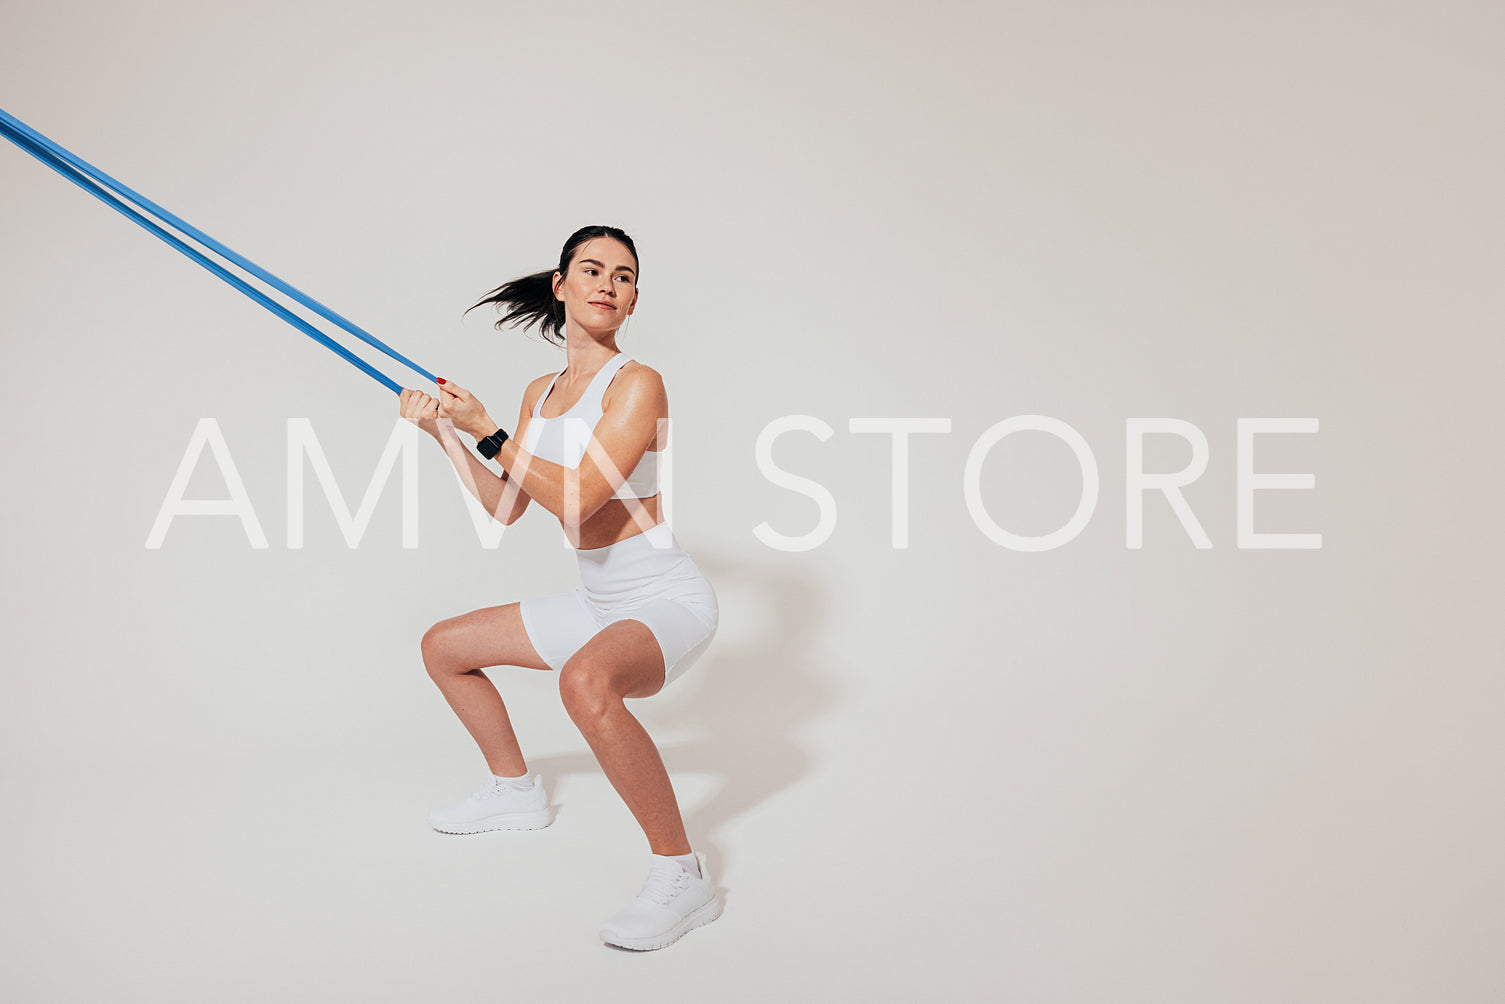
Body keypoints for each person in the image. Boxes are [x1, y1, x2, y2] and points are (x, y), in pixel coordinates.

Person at [397, 225, 721, 951]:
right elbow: (506, 505)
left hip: (665, 598)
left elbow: (580, 500)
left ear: (633, 301)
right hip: (598, 600)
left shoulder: (636, 383)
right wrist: (446, 435)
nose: (608, 283)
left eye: (625, 276)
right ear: (562, 285)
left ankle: (682, 874)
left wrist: (486, 430)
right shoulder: (540, 393)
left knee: (584, 682)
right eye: (592, 269)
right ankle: (514, 792)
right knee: (444, 646)